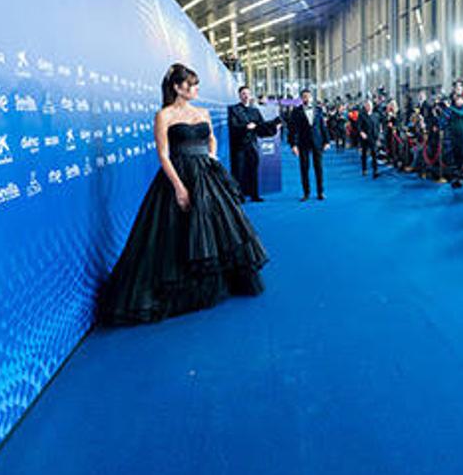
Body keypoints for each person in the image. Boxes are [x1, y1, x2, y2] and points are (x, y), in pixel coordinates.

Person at [99, 64, 268, 325]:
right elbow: (163, 156)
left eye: (196, 84)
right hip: (179, 174)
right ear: (177, 87)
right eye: (191, 84)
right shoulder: (163, 116)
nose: (196, 89)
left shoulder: (203, 112)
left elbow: (211, 138)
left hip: (207, 173)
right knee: (175, 231)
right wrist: (179, 187)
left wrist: (210, 157)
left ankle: (218, 284)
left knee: (218, 228)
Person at [227, 85, 279, 202]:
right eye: (243, 94)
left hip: (252, 145)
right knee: (238, 171)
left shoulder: (255, 111)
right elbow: (233, 127)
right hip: (239, 145)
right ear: (239, 96)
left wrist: (274, 126)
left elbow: (261, 127)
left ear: (250, 96)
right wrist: (246, 127)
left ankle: (254, 194)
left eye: (247, 94)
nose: (245, 96)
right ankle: (238, 196)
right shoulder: (233, 110)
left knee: (253, 170)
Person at [287, 88, 329, 201]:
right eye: (304, 96)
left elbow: (323, 127)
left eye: (308, 96)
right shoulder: (296, 112)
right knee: (304, 168)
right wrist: (293, 145)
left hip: (317, 142)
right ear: (301, 98)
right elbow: (293, 130)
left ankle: (320, 192)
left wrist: (327, 141)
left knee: (318, 168)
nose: (306, 98)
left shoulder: (319, 110)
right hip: (303, 142)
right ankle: (306, 193)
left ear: (311, 97)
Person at [444, 92, 463, 188]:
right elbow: (450, 120)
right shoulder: (454, 110)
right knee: (456, 155)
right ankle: (457, 175)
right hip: (454, 136)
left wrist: (449, 107)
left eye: (459, 100)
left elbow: (461, 114)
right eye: (456, 100)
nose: (457, 102)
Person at [358, 99, 381, 178]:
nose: (369, 107)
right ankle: (364, 169)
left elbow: (378, 126)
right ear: (365, 106)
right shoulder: (361, 115)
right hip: (365, 137)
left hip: (373, 137)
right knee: (364, 153)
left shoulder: (376, 115)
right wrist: (361, 132)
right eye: (367, 105)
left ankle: (375, 170)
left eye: (370, 106)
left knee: (374, 153)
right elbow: (359, 126)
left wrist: (378, 135)